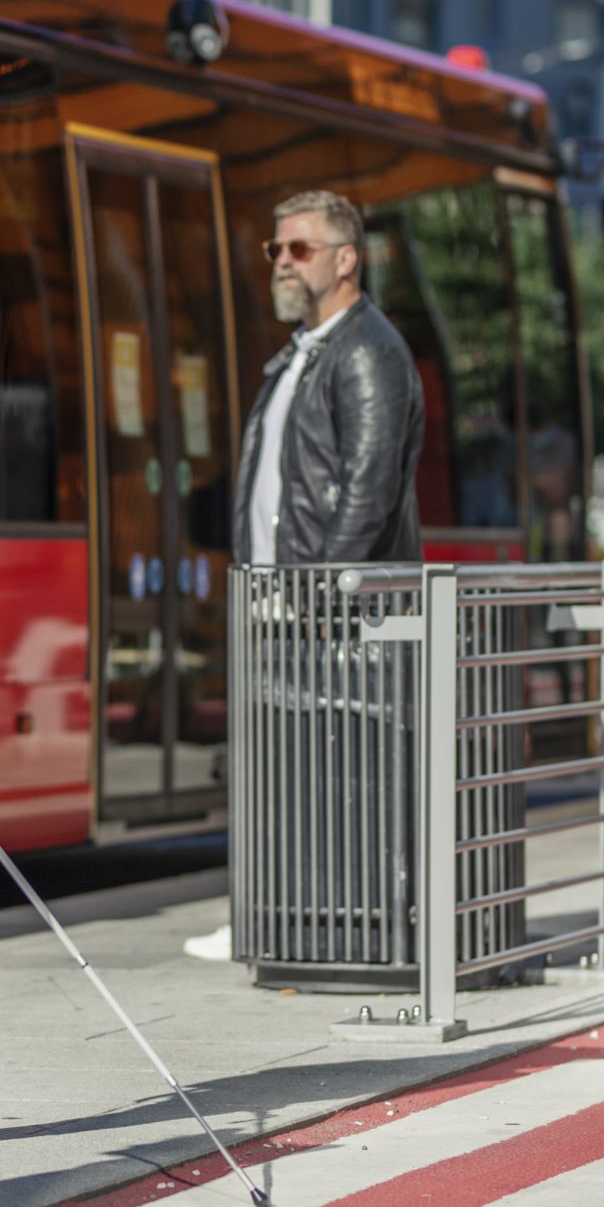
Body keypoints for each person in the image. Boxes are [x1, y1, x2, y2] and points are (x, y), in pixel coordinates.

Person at [185, 188, 425, 963]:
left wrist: (323, 588)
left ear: (346, 260)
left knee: (335, 772)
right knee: (282, 771)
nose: (282, 262)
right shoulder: (304, 350)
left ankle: (335, 927)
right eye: (276, 250)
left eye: (299, 248)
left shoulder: (367, 350)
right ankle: (268, 916)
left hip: (328, 607)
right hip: (281, 599)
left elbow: (367, 484)